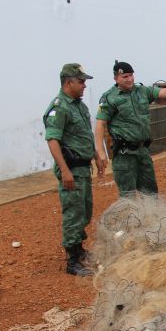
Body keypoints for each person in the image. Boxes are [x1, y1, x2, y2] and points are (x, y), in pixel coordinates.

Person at [95, 60, 166, 196]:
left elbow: (165, 92)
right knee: (128, 196)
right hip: (124, 154)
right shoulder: (109, 98)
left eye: (131, 75)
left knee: (151, 193)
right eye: (125, 76)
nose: (129, 79)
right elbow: (100, 124)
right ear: (116, 78)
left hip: (143, 151)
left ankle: (149, 217)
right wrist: (100, 151)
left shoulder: (142, 91)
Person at [43, 63, 103, 276]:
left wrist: (96, 156)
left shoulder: (79, 106)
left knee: (84, 210)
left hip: (83, 168)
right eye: (81, 81)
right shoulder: (60, 107)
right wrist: (65, 170)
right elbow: (52, 140)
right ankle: (72, 259)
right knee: (73, 212)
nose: (84, 85)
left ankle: (78, 249)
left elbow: (85, 134)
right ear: (68, 82)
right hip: (71, 169)